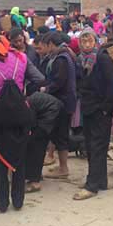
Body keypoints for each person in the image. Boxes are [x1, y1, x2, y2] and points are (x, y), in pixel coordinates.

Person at [0, 35, 45, 212]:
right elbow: (39, 78)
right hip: (21, 114)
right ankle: (18, 201)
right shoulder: (22, 58)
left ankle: (3, 203)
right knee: (20, 156)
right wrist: (23, 93)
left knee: (0, 158)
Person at [73, 30, 113, 200]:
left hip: (101, 109)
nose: (86, 43)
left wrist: (106, 108)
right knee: (92, 147)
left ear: (95, 40)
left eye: (89, 40)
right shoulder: (80, 59)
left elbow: (112, 84)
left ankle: (91, 185)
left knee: (98, 147)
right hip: (88, 108)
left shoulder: (102, 58)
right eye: (82, 40)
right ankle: (100, 181)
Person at [42, 31, 77, 180]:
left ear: (51, 44)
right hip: (65, 100)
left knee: (61, 135)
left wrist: (46, 89)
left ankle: (64, 168)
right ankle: (62, 166)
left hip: (62, 102)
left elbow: (59, 81)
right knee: (59, 134)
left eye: (45, 46)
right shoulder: (63, 55)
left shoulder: (62, 59)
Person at [25, 92, 63, 193]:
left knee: (36, 144)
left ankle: (34, 181)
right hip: (54, 109)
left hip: (51, 112)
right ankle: (34, 175)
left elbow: (31, 124)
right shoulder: (28, 101)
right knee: (36, 143)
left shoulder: (27, 105)